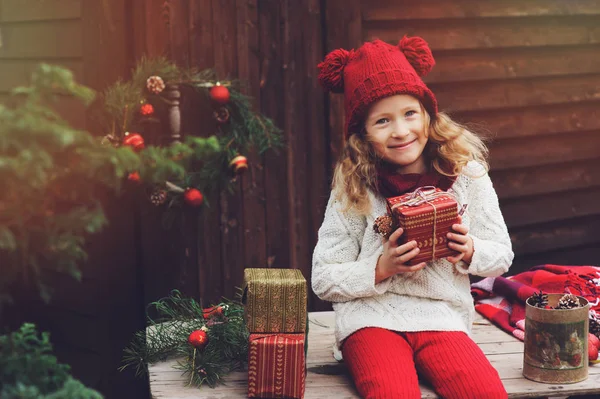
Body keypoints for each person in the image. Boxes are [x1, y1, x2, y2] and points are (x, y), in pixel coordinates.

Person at [311, 36, 514, 399]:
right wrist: (380, 267)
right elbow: (324, 277)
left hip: (442, 318)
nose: (401, 131)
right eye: (383, 121)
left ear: (427, 114)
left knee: (484, 393)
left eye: (409, 113)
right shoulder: (355, 188)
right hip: (371, 319)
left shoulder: (467, 176)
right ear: (362, 134)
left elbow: (501, 255)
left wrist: (469, 250)